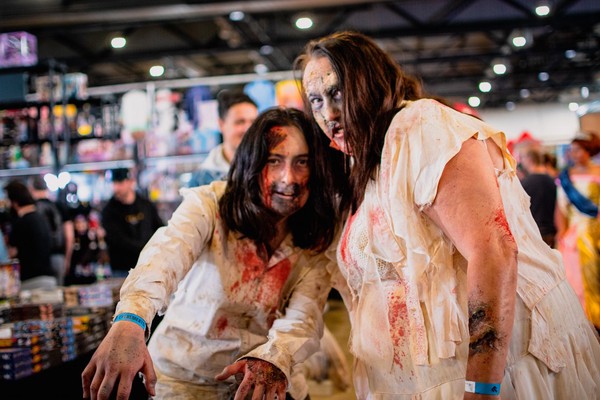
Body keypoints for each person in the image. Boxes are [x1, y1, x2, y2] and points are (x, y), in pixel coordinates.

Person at [296, 31, 600, 399]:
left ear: (371, 84)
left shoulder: (421, 126)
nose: (329, 114)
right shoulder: (367, 163)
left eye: (338, 93)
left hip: (497, 373)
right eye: (316, 100)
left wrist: (481, 387)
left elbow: (493, 250)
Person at [82, 108, 346, 400]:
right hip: (184, 379)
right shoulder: (210, 204)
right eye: (274, 161)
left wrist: (275, 356)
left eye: (302, 162)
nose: (288, 178)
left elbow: (304, 314)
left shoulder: (316, 231)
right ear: (251, 162)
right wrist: (131, 318)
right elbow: (165, 256)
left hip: (265, 377)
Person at [555, 131, 600, 331]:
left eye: (578, 149)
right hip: (575, 235)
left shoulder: (598, 172)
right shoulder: (566, 177)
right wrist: (562, 232)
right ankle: (584, 320)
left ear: (589, 151)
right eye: (572, 150)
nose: (573, 154)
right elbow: (561, 207)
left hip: (595, 230)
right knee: (576, 278)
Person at [101, 168, 164, 277]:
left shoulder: (146, 205)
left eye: (120, 183)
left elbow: (160, 229)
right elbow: (116, 239)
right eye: (114, 183)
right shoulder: (109, 210)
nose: (116, 188)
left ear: (131, 182)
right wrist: (144, 249)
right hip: (122, 270)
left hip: (148, 267)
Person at [188, 90, 258, 187]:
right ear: (221, 124)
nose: (248, 129)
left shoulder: (267, 167)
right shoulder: (201, 180)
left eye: (253, 122)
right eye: (240, 122)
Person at [3, 179, 56, 290]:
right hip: (49, 278)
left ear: (14, 202)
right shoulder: (41, 218)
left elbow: (12, 252)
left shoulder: (21, 222)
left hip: (30, 281)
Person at [29, 175, 74, 286]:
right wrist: (67, 259)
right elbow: (69, 236)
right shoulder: (59, 206)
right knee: (58, 292)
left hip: (37, 260)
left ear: (31, 189)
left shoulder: (31, 209)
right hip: (58, 256)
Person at [519, 148, 557, 248]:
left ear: (529, 159)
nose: (522, 162)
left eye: (522, 158)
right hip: (551, 232)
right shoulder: (553, 181)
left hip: (532, 232)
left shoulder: (525, 183)